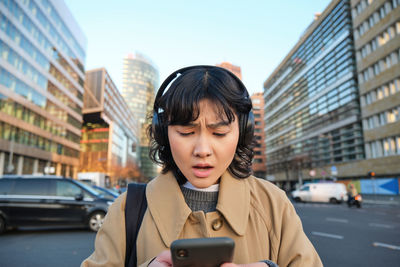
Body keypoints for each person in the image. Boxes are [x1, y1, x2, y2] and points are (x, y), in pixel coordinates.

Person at [81, 65, 322, 267]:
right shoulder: (126, 209)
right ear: (163, 133)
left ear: (242, 132)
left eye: (219, 132)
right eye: (186, 132)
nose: (203, 150)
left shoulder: (273, 203)